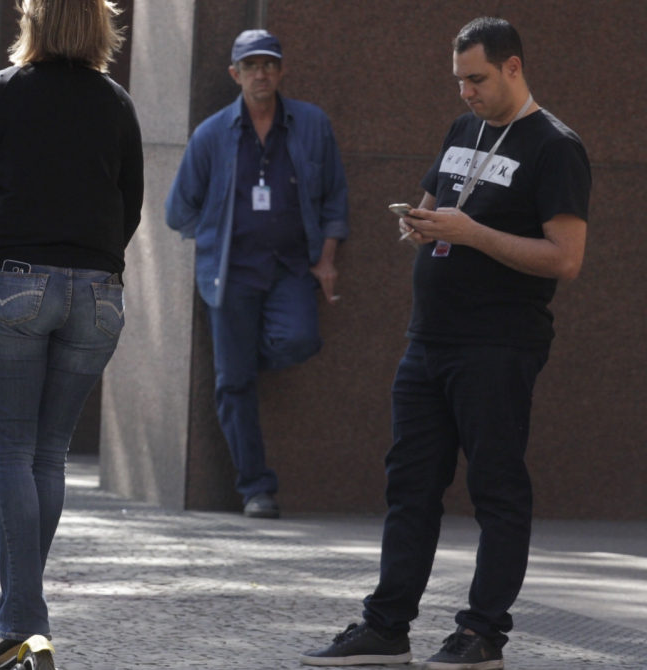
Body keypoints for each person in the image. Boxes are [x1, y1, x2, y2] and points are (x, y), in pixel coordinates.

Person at [301, 18, 589, 670]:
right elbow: (438, 204)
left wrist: (472, 234)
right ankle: (386, 627)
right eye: (459, 80)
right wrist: (422, 222)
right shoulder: (464, 129)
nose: (466, 92)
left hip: (498, 344)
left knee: (496, 490)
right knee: (409, 487)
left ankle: (482, 634)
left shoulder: (555, 147)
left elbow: (566, 258)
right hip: (427, 340)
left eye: (478, 79)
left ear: (514, 67)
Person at [0, 0, 142, 664]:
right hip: (98, 295)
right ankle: (22, 617)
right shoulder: (117, 104)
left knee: (10, 455)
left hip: (12, 282)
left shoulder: (1, 91)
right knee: (47, 456)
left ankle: (21, 618)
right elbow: (128, 206)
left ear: (34, 21)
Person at [165, 30, 348, 519]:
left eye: (269, 64)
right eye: (251, 66)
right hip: (231, 274)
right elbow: (177, 209)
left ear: (281, 70)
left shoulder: (311, 125)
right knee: (233, 385)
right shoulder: (211, 135)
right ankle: (255, 489)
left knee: (299, 340)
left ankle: (244, 358)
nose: (261, 73)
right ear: (235, 74)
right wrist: (215, 230)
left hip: (292, 268)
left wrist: (326, 259)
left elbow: (335, 199)